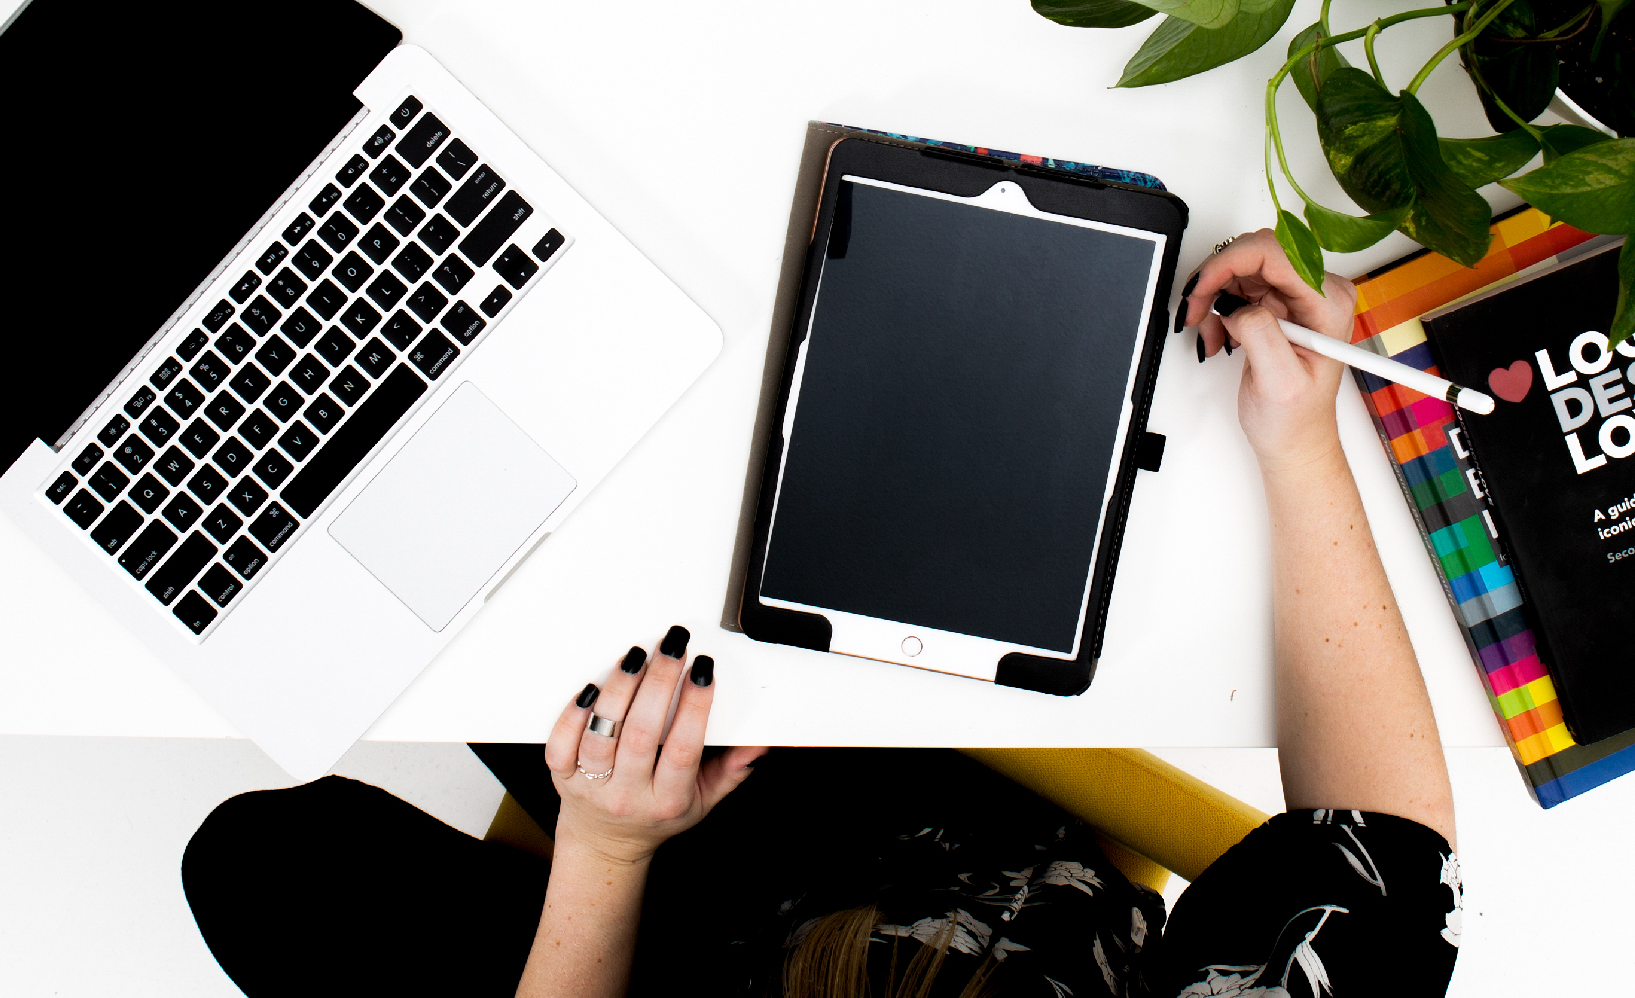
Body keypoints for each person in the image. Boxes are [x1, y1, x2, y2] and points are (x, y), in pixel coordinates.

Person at [182, 232, 1460, 998]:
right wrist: (1302, 442)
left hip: (703, 954)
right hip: (939, 865)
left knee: (265, 863)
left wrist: (605, 851)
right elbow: (1389, 849)